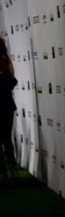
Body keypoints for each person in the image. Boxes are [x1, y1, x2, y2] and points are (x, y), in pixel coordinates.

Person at [0, 37, 18, 182]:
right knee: (6, 138)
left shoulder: (6, 62)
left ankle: (10, 168)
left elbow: (12, 80)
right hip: (7, 105)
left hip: (6, 105)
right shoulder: (7, 63)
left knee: (6, 137)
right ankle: (8, 169)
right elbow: (12, 80)